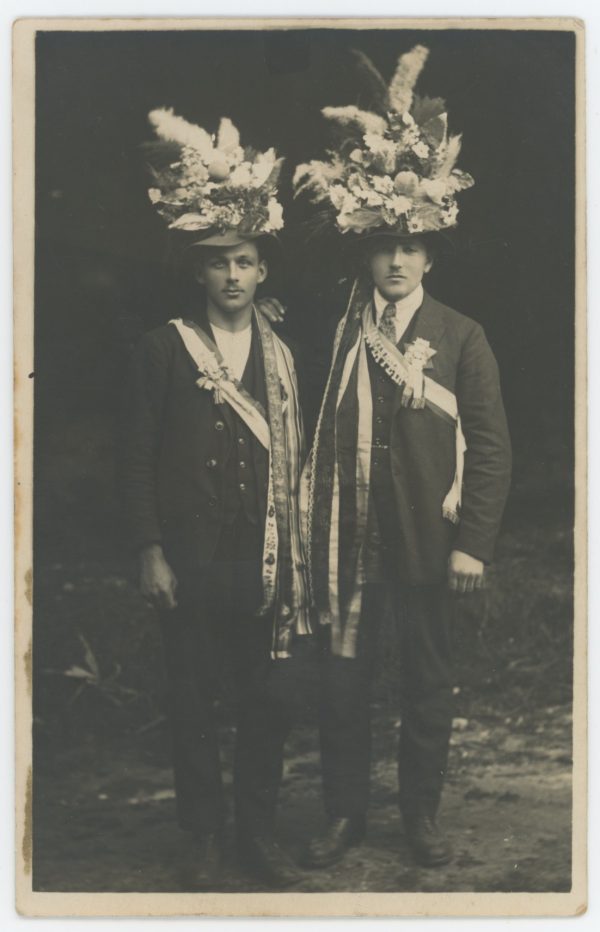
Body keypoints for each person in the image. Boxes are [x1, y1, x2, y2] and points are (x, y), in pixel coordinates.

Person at [293, 45, 512, 868]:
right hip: (351, 542)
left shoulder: (460, 337)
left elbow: (490, 447)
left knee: (426, 686)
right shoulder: (339, 333)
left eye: (410, 245)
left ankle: (419, 818)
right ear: (365, 252)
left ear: (430, 253)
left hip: (429, 539)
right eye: (383, 244)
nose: (395, 259)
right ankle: (343, 814)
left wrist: (474, 543)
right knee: (342, 686)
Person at [122, 109, 311, 888]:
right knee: (195, 701)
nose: (233, 276)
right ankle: (202, 835)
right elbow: (133, 456)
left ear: (262, 268)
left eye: (245, 261)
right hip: (192, 560)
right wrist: (150, 549)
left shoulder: (284, 356)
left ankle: (256, 835)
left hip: (264, 559)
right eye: (219, 263)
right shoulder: (164, 348)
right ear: (198, 272)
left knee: (267, 700)